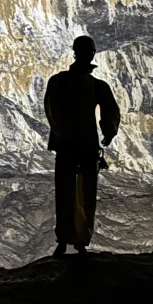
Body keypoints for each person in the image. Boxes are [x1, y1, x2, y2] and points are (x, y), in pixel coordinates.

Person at [44, 35, 120, 258]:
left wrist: (64, 134)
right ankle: (77, 240)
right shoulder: (95, 86)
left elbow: (52, 111)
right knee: (83, 192)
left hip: (71, 145)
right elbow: (110, 111)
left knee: (68, 191)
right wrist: (107, 132)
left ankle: (69, 240)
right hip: (82, 144)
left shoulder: (60, 81)